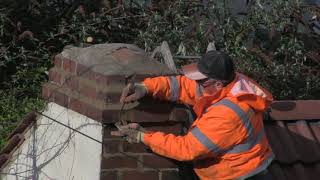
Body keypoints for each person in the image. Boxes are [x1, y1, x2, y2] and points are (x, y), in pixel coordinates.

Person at [111, 50, 274, 180]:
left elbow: (187, 149)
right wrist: (146, 87)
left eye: (200, 81)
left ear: (217, 84)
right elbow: (181, 85)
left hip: (239, 175)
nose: (196, 84)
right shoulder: (230, 84)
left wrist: (143, 137)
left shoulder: (227, 114)